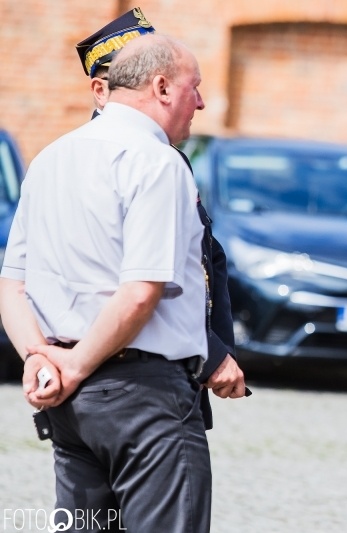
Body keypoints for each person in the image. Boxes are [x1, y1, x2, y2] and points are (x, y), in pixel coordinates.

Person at [0, 34, 213, 531]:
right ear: (161, 87)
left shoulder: (51, 157)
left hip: (72, 402)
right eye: (194, 87)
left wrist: (37, 356)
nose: (200, 101)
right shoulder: (157, 162)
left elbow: (11, 286)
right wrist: (71, 366)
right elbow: (140, 292)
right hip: (142, 394)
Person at [75, 9, 247, 424]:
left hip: (164, 364)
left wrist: (216, 347)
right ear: (102, 89)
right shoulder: (108, 160)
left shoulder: (164, 156)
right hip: (133, 374)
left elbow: (206, 259)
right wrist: (211, 354)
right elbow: (138, 277)